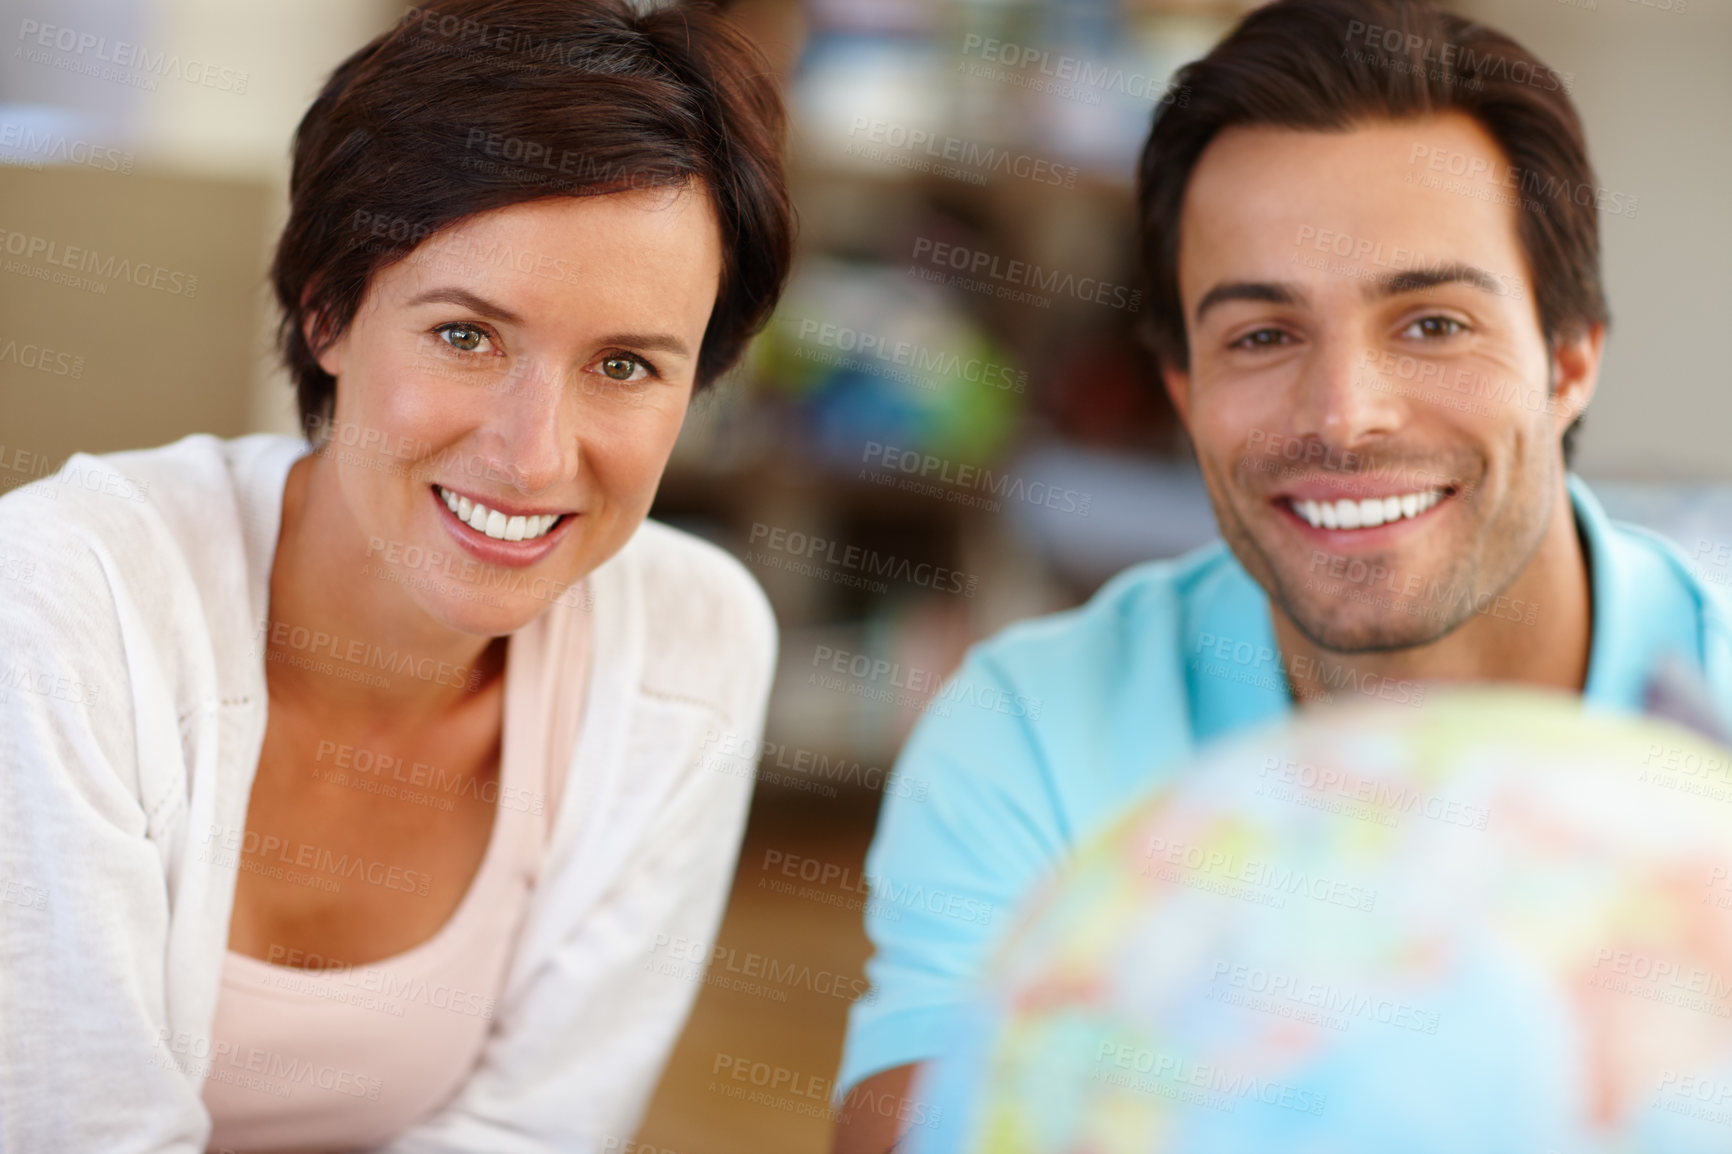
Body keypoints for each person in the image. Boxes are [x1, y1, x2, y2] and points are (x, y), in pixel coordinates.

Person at [830, 0, 1732, 1150]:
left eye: (1432, 323)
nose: (1343, 418)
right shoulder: (1029, 728)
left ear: (1568, 362)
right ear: (1182, 392)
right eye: (1260, 335)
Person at [0, 1, 791, 1150]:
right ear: (327, 308)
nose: (534, 456)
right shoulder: (68, 593)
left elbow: (533, 1131)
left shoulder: (691, 642)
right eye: (467, 334)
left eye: (625, 363)